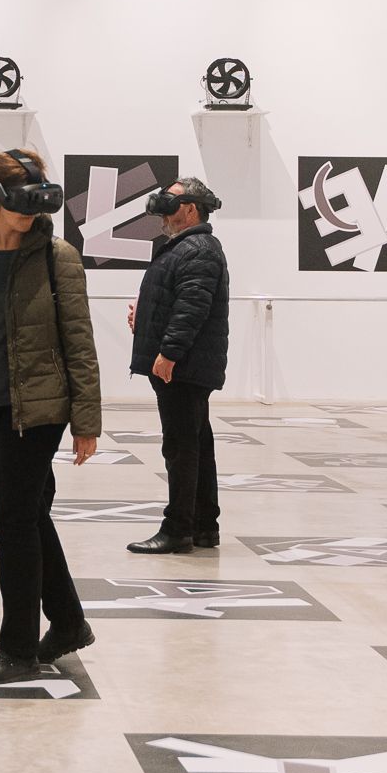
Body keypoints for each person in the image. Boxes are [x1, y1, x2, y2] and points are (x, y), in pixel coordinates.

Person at [0, 150, 101, 685]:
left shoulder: (57, 256)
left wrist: (86, 420)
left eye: (38, 204)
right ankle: (69, 623)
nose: (31, 215)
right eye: (20, 204)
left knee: (12, 518)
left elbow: (79, 341)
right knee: (27, 512)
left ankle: (17, 650)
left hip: (39, 405)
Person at [126, 178, 228, 555]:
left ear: (190, 209)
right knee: (197, 444)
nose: (163, 213)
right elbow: (178, 299)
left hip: (184, 366)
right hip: (188, 364)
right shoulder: (188, 247)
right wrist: (144, 314)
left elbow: (192, 307)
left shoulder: (197, 249)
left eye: (170, 203)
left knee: (181, 448)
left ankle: (178, 530)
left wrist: (169, 352)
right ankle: (204, 526)